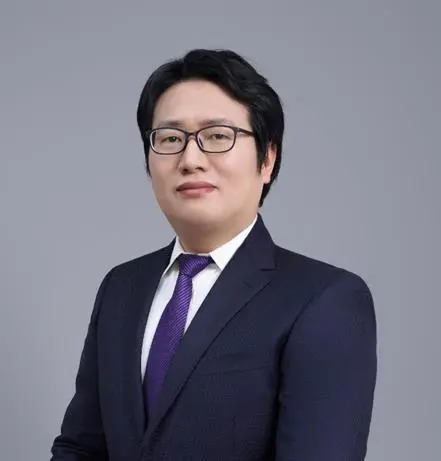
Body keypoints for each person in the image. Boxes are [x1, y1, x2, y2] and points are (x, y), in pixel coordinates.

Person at [50, 49, 377, 461]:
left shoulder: (325, 299)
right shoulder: (121, 287)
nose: (190, 159)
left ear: (267, 159)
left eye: (218, 136)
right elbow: (81, 448)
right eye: (170, 139)